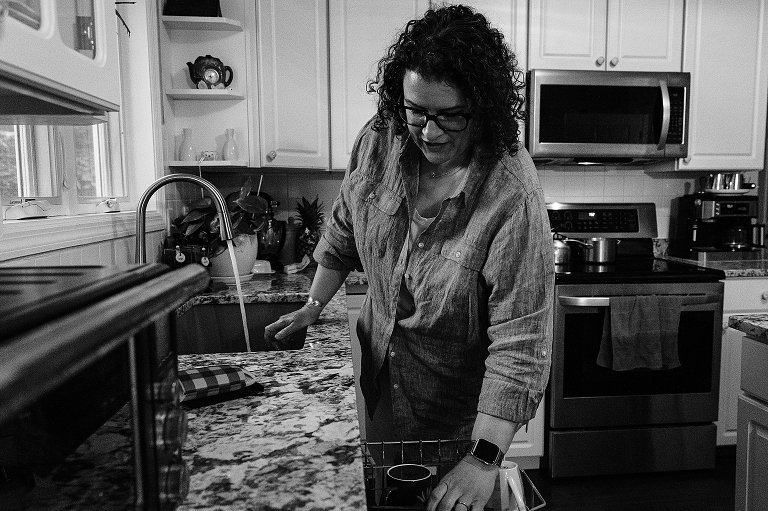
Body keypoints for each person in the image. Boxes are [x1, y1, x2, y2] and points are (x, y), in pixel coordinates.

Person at [264, 5, 554, 510]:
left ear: (482, 107)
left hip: (461, 417)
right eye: (417, 110)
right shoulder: (380, 140)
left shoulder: (511, 192)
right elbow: (344, 228)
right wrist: (314, 303)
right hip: (382, 380)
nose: (429, 131)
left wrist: (484, 458)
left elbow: (522, 340)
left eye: (450, 116)